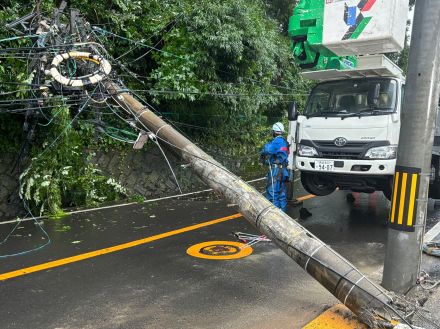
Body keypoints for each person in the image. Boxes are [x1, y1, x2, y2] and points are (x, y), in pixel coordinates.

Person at [260, 122, 290, 212]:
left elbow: (267, 149)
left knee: (272, 194)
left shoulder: (277, 141)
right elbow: (277, 157)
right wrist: (265, 162)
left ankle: (274, 216)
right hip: (283, 170)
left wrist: (262, 155)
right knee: (281, 194)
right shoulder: (284, 142)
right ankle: (283, 215)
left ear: (274, 131)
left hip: (276, 171)